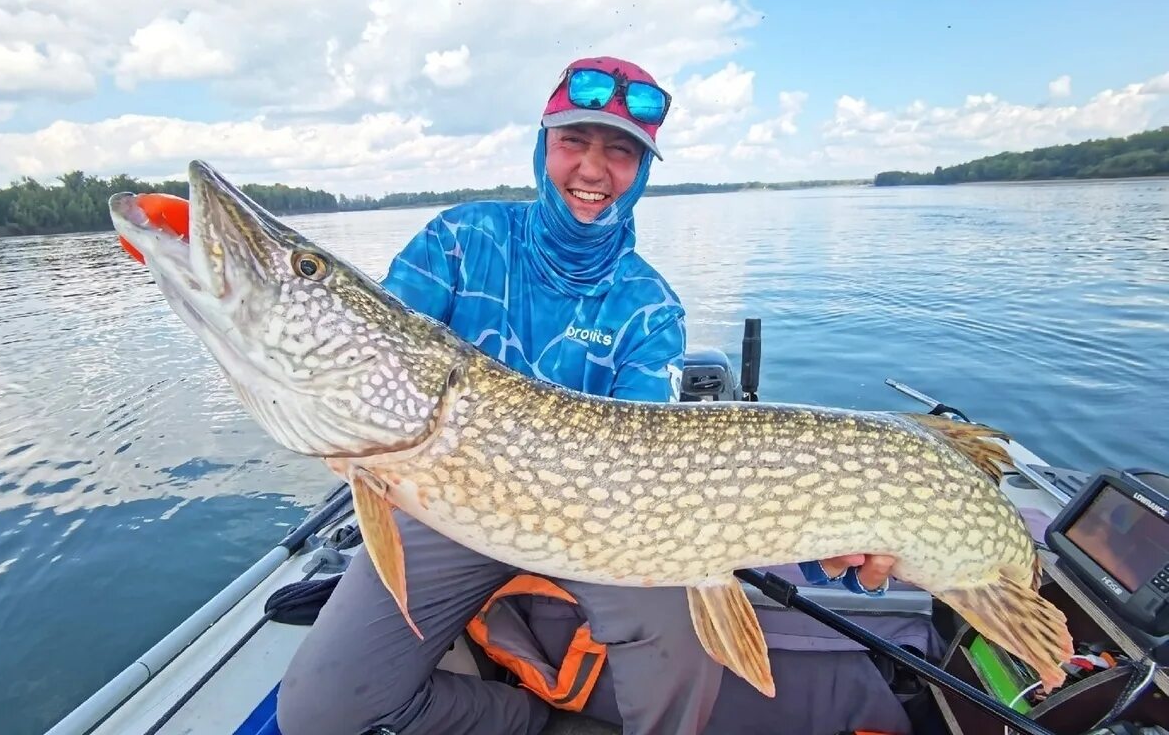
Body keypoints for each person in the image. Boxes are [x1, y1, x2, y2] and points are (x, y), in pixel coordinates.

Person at [276, 56, 904, 735]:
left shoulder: (650, 307)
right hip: (438, 498)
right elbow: (374, 358)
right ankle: (536, 722)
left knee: (683, 653)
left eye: (622, 151)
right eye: (574, 141)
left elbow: (662, 479)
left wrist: (821, 549)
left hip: (603, 524)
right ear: (543, 146)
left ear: (642, 172)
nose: (593, 169)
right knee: (320, 714)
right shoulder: (459, 242)